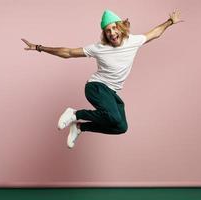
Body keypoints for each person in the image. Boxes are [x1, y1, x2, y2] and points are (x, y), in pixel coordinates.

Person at [22, 9, 183, 149]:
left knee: (120, 126)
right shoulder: (99, 48)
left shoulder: (133, 41)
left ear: (120, 28)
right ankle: (75, 113)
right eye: (107, 31)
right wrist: (39, 47)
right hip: (96, 87)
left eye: (114, 28)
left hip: (111, 93)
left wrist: (170, 22)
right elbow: (68, 53)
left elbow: (155, 33)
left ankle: (79, 128)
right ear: (105, 34)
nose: (112, 33)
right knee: (112, 116)